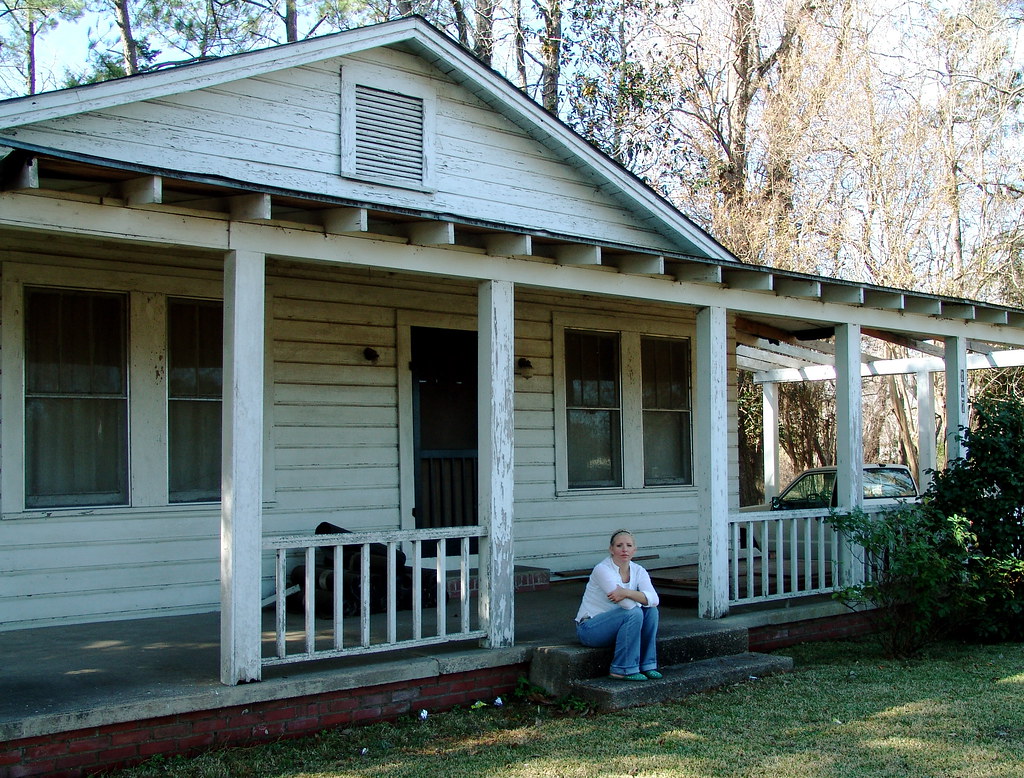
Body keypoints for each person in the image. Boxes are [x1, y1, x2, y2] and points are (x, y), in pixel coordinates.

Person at [575, 529, 662, 681]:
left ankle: (647, 665)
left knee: (651, 611)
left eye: (628, 545)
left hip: (619, 626)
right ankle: (622, 669)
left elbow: (654, 600)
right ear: (611, 549)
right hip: (590, 629)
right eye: (619, 545)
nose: (624, 549)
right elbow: (627, 606)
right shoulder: (602, 569)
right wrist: (640, 597)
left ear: (634, 549)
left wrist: (627, 592)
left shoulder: (638, 570)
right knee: (634, 612)